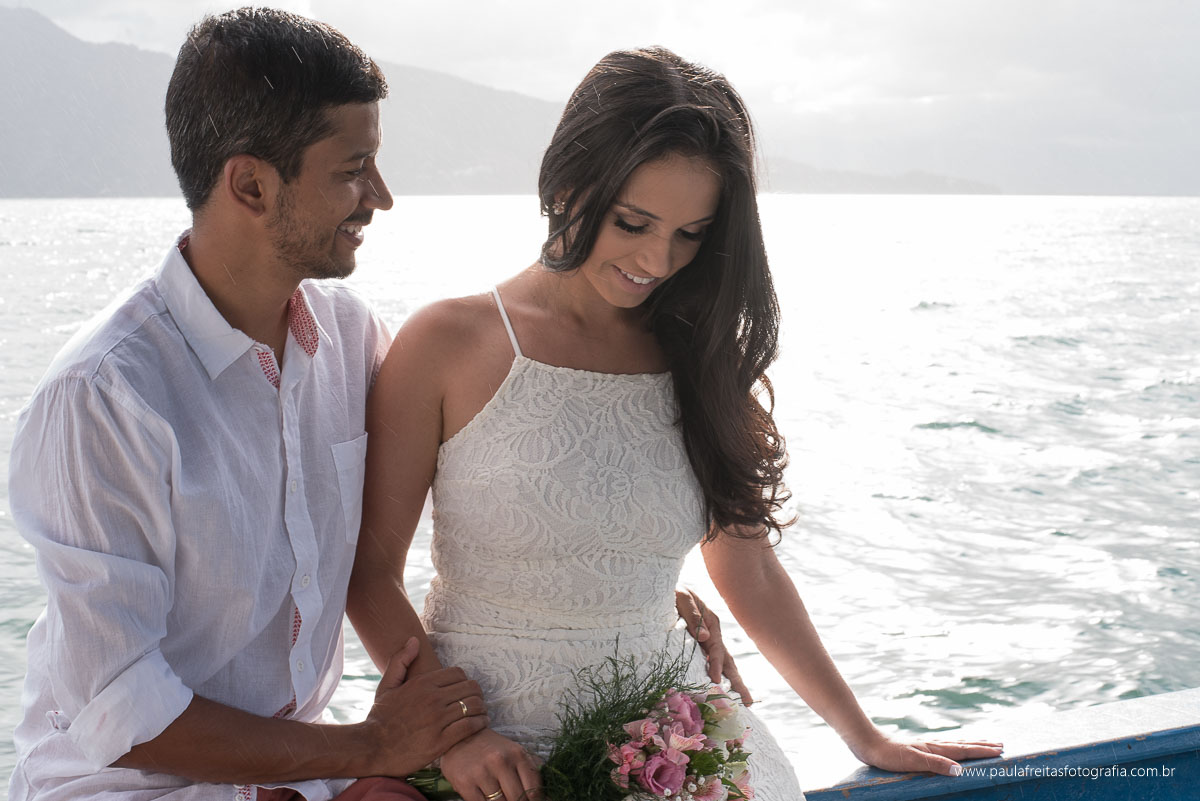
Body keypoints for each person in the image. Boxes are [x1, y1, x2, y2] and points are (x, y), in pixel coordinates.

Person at [8, 12, 737, 801]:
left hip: (302, 777)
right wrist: (375, 742)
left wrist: (625, 600)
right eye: (354, 170)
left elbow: (507, 477)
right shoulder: (103, 396)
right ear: (251, 185)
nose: (381, 197)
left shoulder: (349, 340)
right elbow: (123, 713)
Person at [348, 46, 1004, 801]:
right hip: (486, 758)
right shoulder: (447, 342)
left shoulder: (699, 357)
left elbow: (749, 569)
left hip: (672, 756)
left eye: (691, 234)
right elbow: (369, 572)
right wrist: (456, 735)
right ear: (566, 185)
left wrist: (864, 734)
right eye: (633, 222)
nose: (658, 260)